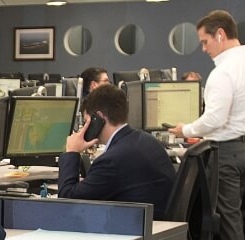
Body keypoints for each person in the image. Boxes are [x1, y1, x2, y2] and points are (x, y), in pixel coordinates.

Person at [167, 10, 245, 240]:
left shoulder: (223, 71)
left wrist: (183, 129)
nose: (204, 48)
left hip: (226, 151)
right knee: (228, 215)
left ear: (220, 35)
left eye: (204, 41)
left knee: (225, 219)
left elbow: (213, 119)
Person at [59, 84, 177, 218]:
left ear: (99, 118)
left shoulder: (112, 160)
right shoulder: (145, 140)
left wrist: (71, 152)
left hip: (137, 231)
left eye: (86, 121)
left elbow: (67, 201)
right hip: (157, 227)